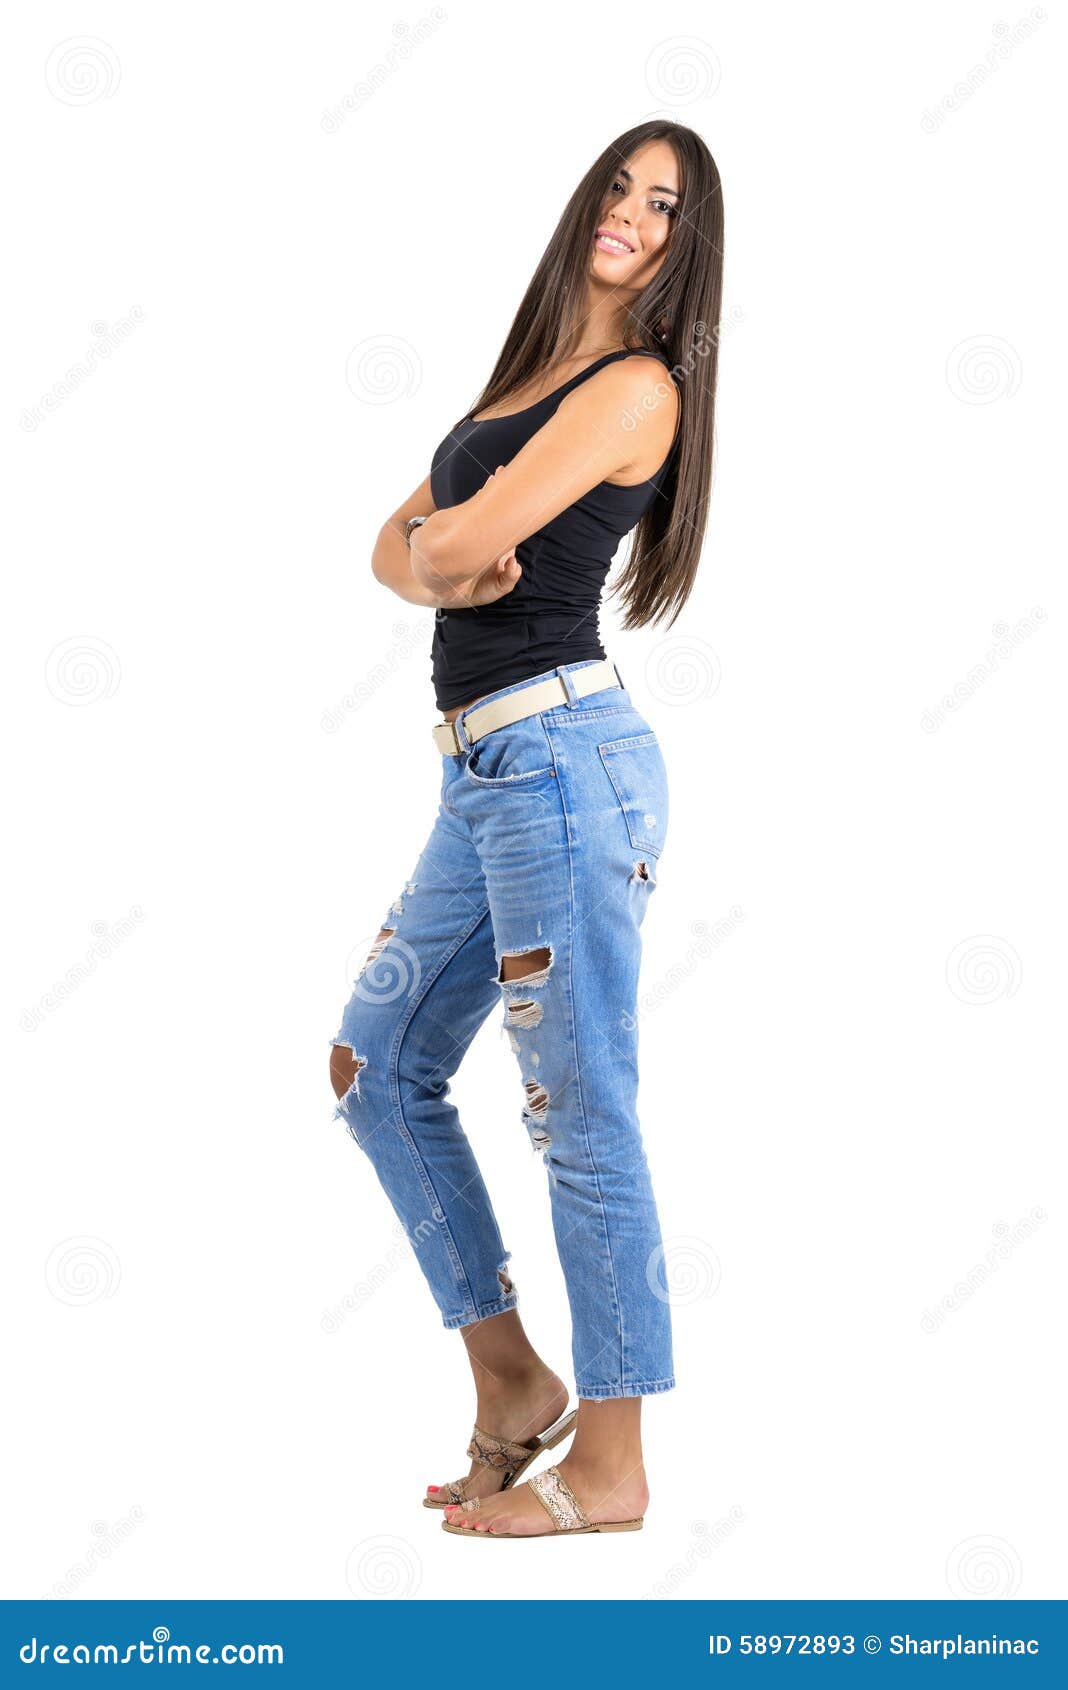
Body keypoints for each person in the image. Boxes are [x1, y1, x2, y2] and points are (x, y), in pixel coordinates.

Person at [329, 119, 723, 1539]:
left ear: (690, 247)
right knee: (372, 1065)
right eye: (618, 185)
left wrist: (445, 541)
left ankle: (613, 1464)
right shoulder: (536, 371)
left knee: (579, 1107)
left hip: (564, 764)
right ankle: (512, 1384)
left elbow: (438, 543)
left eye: (663, 204)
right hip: (487, 776)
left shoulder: (633, 390)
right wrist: (444, 542)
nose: (630, 213)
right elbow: (401, 540)